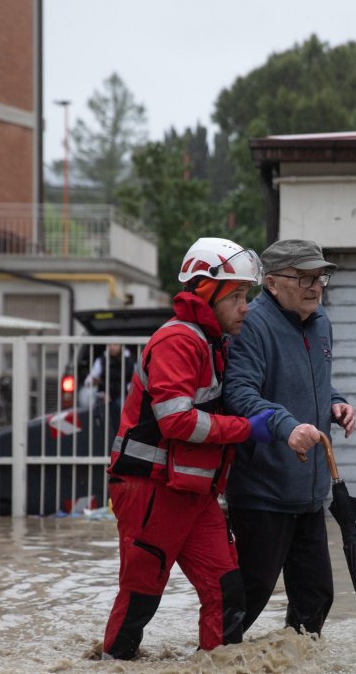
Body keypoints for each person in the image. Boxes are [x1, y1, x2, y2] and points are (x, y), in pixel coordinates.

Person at [101, 237, 276, 660]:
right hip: (151, 490)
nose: (245, 307)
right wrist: (246, 429)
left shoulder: (211, 341)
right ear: (205, 291)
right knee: (141, 599)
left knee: (228, 593)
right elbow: (176, 421)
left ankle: (215, 665)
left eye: (246, 296)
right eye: (236, 296)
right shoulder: (178, 341)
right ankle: (113, 665)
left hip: (192, 494)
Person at [223, 239, 356, 636]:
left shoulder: (321, 323)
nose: (315, 286)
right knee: (249, 598)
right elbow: (239, 395)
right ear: (272, 283)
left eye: (320, 277)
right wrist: (286, 425)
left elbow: (314, 386)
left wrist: (336, 402)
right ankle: (210, 660)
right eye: (303, 277)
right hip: (262, 492)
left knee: (316, 598)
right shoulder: (252, 324)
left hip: (310, 494)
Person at [78, 342, 134, 440]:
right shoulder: (102, 361)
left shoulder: (129, 361)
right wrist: (95, 382)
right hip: (105, 394)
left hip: (123, 395)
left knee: (120, 406)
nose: (112, 347)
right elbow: (90, 379)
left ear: (121, 346)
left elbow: (133, 382)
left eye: (115, 345)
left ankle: (120, 437)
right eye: (110, 345)